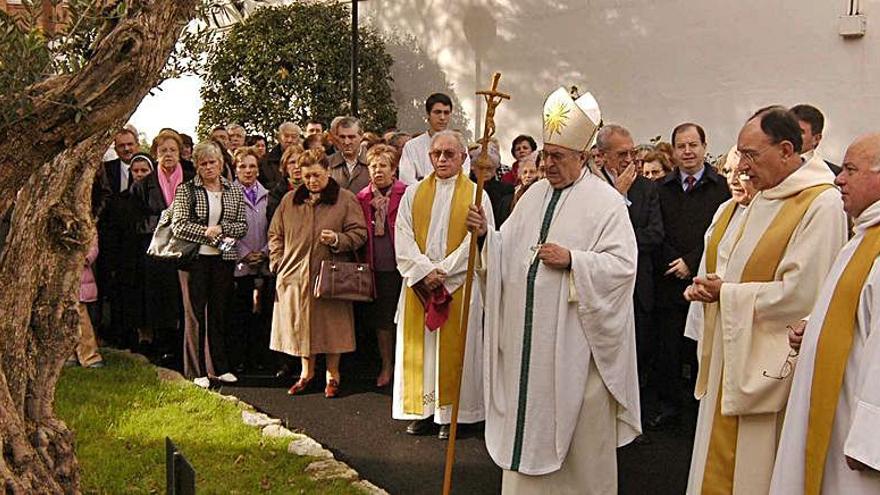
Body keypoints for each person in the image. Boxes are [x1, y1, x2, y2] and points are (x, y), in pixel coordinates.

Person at [469, 86, 640, 493]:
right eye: (545, 155)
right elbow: (507, 254)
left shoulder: (607, 204)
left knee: (578, 439)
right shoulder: (531, 197)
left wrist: (575, 261)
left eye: (558, 157)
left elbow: (622, 268)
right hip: (527, 347)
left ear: (583, 158)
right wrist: (483, 238)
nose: (548, 163)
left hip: (575, 351)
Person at [683, 106, 848, 494]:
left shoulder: (820, 204)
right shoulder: (764, 196)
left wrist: (728, 294)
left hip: (770, 368)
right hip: (735, 353)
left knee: (759, 469)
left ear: (787, 150)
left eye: (751, 155)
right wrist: (716, 291)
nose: (741, 167)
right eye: (740, 154)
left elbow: (804, 295)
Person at [769, 133, 880, 494]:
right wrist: (816, 328)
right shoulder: (863, 236)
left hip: (854, 431)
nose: (838, 178)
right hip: (834, 414)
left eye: (850, 169)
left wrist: (870, 440)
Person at [393, 129, 494, 440]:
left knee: (457, 349)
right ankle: (423, 411)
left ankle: (454, 415)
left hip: (459, 285)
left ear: (463, 157)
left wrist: (445, 272)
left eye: (449, 154)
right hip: (420, 286)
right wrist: (425, 272)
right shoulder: (414, 193)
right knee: (421, 350)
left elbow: (477, 240)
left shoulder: (478, 194)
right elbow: (403, 237)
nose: (442, 159)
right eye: (437, 153)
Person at [650, 122, 730, 430]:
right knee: (668, 350)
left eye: (693, 145)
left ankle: (701, 410)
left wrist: (692, 262)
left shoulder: (721, 187)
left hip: (704, 280)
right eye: (681, 146)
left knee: (700, 349)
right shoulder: (661, 187)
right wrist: (674, 260)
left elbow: (720, 233)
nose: (687, 151)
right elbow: (656, 229)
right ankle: (670, 407)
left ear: (704, 147)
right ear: (673, 151)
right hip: (669, 280)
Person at [268, 149, 367, 398]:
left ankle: (333, 375)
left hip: (330, 275)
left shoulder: (345, 199)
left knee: (333, 328)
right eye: (307, 176)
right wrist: (277, 260)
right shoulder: (289, 201)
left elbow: (359, 233)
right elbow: (274, 234)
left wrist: (337, 239)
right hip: (294, 275)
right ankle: (306, 374)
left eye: (317, 175)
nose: (311, 181)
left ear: (327, 172)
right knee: (301, 327)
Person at [171, 140, 248, 388]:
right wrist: (207, 232)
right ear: (196, 166)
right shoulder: (187, 190)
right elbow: (179, 225)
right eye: (202, 164)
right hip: (194, 260)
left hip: (222, 259)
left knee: (218, 313)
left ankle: (219, 366)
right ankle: (196, 370)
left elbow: (241, 226)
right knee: (195, 315)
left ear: (221, 163)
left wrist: (222, 229)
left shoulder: (233, 190)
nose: (208, 168)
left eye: (212, 162)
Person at [595, 124, 664, 395]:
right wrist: (617, 198)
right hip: (604, 290)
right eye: (622, 154)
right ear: (601, 156)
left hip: (638, 287)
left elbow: (654, 234)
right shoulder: (593, 189)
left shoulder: (646, 188)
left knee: (638, 356)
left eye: (632, 152)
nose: (629, 160)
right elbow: (595, 237)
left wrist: (623, 241)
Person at [131, 131, 195, 365]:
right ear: (156, 154)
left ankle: (185, 348)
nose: (168, 154)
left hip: (187, 251)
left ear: (180, 153)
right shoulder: (143, 186)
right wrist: (164, 220)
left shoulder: (192, 179)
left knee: (185, 300)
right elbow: (136, 221)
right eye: (163, 151)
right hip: (158, 252)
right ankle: (164, 348)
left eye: (172, 150)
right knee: (160, 301)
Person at [683, 146, 755, 348]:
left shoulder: (767, 212)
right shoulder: (725, 209)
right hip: (713, 313)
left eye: (741, 173)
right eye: (728, 171)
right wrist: (698, 290)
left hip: (744, 322)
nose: (732, 181)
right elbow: (708, 262)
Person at [355, 144, 407, 387]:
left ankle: (406, 366)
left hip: (403, 267)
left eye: (383, 165)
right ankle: (387, 366)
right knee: (382, 321)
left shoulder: (406, 193)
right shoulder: (362, 197)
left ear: (394, 169)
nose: (378, 170)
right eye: (373, 166)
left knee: (404, 319)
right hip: (376, 268)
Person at [230, 146, 271, 374]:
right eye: (243, 166)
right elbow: (226, 228)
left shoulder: (267, 194)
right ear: (235, 169)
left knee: (262, 316)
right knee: (240, 315)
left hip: (263, 263)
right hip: (239, 264)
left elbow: (274, 227)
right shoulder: (229, 194)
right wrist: (244, 252)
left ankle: (259, 358)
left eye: (252, 166)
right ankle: (240, 359)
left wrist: (264, 252)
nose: (248, 170)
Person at [398, 93, 471, 185]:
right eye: (437, 112)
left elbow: (464, 176)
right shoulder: (411, 146)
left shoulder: (460, 146)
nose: (442, 117)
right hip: (420, 196)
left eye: (446, 113)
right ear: (428, 114)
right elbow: (406, 179)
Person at [72, 240, 105, 368]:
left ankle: (90, 355)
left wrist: (83, 258)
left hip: (79, 274)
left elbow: (92, 248)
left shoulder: (86, 226)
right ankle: (71, 354)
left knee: (81, 318)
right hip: (65, 275)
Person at [470, 141, 514, 226]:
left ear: (495, 169)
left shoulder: (506, 191)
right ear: (473, 167)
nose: (485, 172)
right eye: (481, 168)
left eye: (489, 168)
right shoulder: (466, 188)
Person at [790, 103, 842, 175]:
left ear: (816, 139)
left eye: (800, 132)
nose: (791, 135)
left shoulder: (834, 174)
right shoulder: (770, 164)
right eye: (788, 129)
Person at [328, 117, 370, 193]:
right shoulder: (327, 163)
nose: (347, 142)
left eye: (351, 137)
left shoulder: (373, 161)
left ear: (361, 136)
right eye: (342, 137)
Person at [266, 143, 305, 223]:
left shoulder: (315, 190)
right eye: (292, 162)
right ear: (285, 166)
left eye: (300, 161)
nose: (297, 166)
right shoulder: (276, 194)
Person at [262, 122, 302, 191]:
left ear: (298, 138)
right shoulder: (266, 161)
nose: (290, 140)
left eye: (293, 137)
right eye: (286, 136)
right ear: (279, 137)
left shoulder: (306, 158)